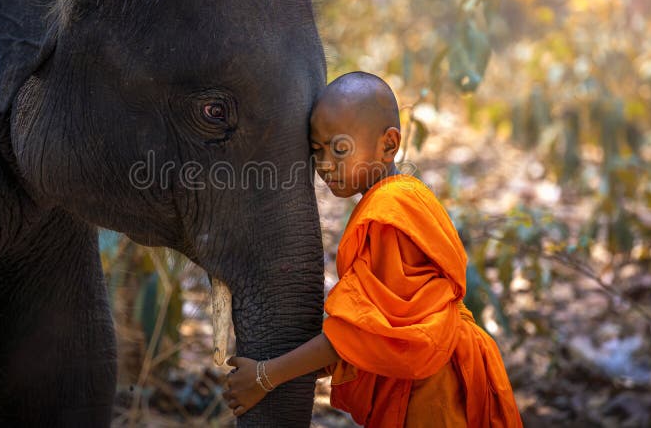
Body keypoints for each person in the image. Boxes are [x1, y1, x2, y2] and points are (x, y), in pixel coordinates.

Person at [223, 71, 522, 427]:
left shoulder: (388, 215)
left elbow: (363, 333)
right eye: (317, 151)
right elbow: (369, 335)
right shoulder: (397, 197)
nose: (325, 165)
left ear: (389, 145)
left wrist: (266, 376)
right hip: (433, 372)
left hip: (436, 392)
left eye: (340, 148)